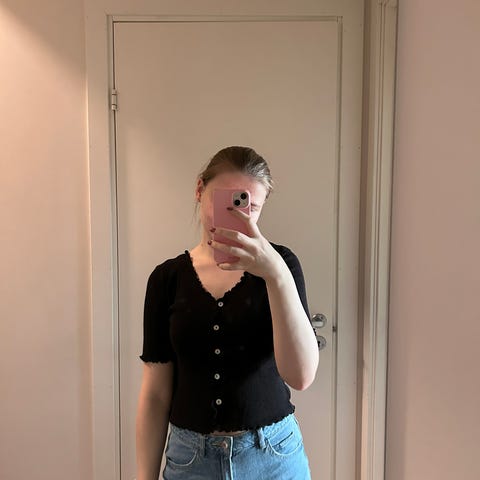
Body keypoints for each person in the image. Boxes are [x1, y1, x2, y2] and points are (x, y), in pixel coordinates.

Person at [135, 146, 319, 480]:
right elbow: (156, 394)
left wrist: (276, 274)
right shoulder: (167, 279)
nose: (236, 215)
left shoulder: (282, 266)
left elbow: (301, 376)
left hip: (274, 459)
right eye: (225, 201)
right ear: (199, 189)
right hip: (190, 462)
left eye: (249, 206)